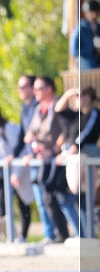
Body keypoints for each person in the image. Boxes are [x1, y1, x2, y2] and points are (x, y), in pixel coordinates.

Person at [22, 76, 71, 243]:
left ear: (49, 89)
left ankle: (78, 234)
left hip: (58, 160)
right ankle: (60, 234)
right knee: (47, 197)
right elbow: (30, 134)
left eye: (39, 88)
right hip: (44, 160)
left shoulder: (57, 106)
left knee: (63, 198)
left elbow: (68, 131)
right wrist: (36, 146)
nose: (34, 92)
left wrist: (52, 150)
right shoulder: (37, 109)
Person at [54, 86, 100, 237]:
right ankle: (84, 235)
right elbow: (58, 110)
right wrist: (68, 94)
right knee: (77, 198)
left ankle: (89, 235)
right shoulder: (77, 115)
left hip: (86, 156)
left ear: (88, 97)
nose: (76, 99)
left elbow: (85, 134)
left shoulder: (94, 113)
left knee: (86, 197)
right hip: (74, 158)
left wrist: (74, 146)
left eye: (79, 96)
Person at [9, 75, 39, 242]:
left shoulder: (38, 106)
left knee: (46, 197)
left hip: (37, 156)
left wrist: (33, 153)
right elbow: (23, 135)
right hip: (27, 157)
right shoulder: (25, 108)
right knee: (24, 196)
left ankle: (57, 232)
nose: (20, 90)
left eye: (23, 86)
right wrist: (13, 154)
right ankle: (24, 235)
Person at [71, 0, 99, 69]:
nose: (94, 14)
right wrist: (93, 49)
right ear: (86, 13)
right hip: (85, 68)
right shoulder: (80, 28)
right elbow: (74, 51)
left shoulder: (99, 27)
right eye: (91, 11)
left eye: (96, 11)